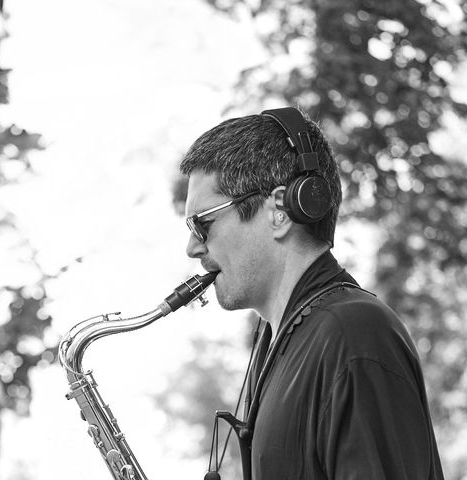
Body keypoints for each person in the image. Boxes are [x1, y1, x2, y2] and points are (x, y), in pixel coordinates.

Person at [180, 107, 444, 480]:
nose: (192, 248)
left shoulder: (353, 334)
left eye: (202, 224)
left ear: (280, 211)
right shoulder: (280, 339)